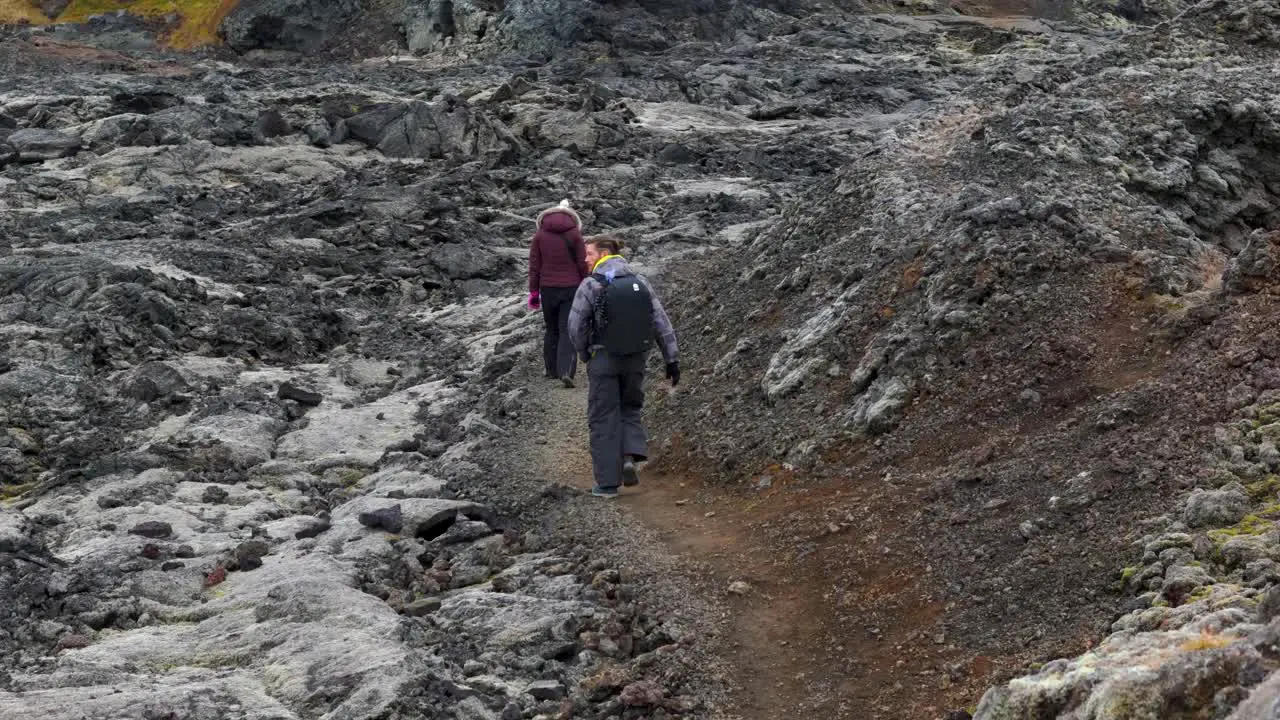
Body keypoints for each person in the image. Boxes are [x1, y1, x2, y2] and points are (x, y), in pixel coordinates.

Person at [568, 235, 679, 498]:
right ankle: (629, 456)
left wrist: (584, 354)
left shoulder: (590, 285)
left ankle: (607, 484)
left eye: (590, 254)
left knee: (603, 416)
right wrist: (671, 359)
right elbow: (661, 322)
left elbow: (575, 327)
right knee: (630, 407)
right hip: (636, 357)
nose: (585, 259)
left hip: (603, 358)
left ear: (604, 253)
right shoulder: (640, 282)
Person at [528, 200, 589, 387]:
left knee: (551, 328)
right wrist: (586, 283)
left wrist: (534, 292)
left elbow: (534, 266)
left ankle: (550, 369)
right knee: (566, 329)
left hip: (548, 288)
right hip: (571, 288)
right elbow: (582, 263)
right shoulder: (575, 234)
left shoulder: (539, 236)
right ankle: (566, 371)